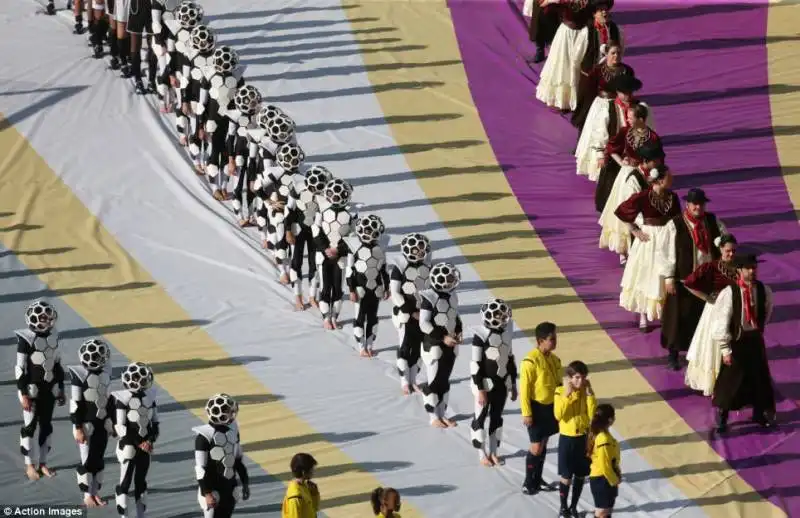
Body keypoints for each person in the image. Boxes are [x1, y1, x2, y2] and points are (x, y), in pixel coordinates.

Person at [661, 188, 727, 370]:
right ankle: (673, 355)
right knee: (677, 317)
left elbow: (724, 242)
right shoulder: (675, 225)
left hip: (706, 280)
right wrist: (669, 277)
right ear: (688, 205)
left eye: (701, 204)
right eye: (695, 204)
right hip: (683, 280)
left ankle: (698, 353)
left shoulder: (712, 222)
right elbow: (666, 252)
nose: (698, 207)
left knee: (701, 318)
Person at [711, 253, 776, 432]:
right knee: (730, 381)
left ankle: (759, 412)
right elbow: (722, 321)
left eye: (754, 268)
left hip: (754, 340)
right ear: (739, 270)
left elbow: (767, 311)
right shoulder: (730, 293)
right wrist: (725, 349)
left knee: (758, 379)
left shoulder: (764, 290)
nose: (752, 271)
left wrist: (757, 328)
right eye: (748, 268)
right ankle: (723, 416)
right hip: (737, 342)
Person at [615, 166, 681, 331]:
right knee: (645, 273)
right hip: (649, 238)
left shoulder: (673, 197)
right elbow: (622, 211)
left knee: (664, 274)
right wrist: (634, 230)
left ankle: (663, 311)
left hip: (668, 237)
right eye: (668, 176)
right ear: (660, 180)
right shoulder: (644, 196)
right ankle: (643, 314)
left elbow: (678, 218)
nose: (671, 179)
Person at [14, 299, 66, 481]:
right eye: (42, 317)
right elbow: (20, 368)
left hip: (49, 390)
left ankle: (43, 463)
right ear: (34, 318)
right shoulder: (25, 338)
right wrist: (23, 394)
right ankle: (29, 465)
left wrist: (61, 388)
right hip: (31, 390)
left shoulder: (54, 335)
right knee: (29, 427)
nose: (45, 320)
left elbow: (57, 364)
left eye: (48, 317)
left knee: (47, 427)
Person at [683, 234, 739, 396]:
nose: (731, 254)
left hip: (734, 311)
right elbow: (689, 283)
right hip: (715, 311)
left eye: (734, 251)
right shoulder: (711, 267)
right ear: (721, 249)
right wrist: (706, 297)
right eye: (728, 251)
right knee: (714, 346)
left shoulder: (740, 266)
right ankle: (713, 383)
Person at [597, 143, 666, 265]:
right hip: (639, 223)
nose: (659, 163)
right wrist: (642, 226)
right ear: (645, 161)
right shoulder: (633, 179)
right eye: (655, 161)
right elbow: (628, 209)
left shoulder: (653, 174)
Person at [469, 298, 517, 467]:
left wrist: (513, 384)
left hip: (501, 384)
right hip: (484, 384)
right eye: (498, 315)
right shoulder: (480, 335)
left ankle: (494, 452)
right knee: (480, 418)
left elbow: (510, 358)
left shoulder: (507, 330)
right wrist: (480, 389)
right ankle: (481, 453)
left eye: (503, 314)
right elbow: (475, 364)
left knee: (497, 419)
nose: (501, 317)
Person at [573, 45, 635, 173]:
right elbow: (589, 90)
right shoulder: (598, 70)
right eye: (613, 53)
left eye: (618, 53)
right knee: (600, 132)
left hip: (620, 106)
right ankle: (600, 167)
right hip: (602, 106)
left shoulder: (627, 70)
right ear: (606, 54)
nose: (616, 56)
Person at [70, 339, 114, 507]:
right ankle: (87, 495)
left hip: (102, 422)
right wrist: (77, 427)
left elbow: (108, 399)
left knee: (99, 459)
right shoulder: (79, 374)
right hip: (87, 424)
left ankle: (95, 492)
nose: (97, 358)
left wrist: (112, 421)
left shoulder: (106, 372)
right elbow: (75, 404)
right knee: (87, 461)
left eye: (100, 355)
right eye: (94, 356)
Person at [419, 262, 463, 428]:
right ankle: (433, 416)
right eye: (450, 277)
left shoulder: (453, 295)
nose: (453, 280)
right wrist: (442, 338)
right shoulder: (429, 297)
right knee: (435, 382)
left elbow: (454, 316)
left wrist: (459, 331)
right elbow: (424, 324)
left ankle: (442, 413)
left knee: (444, 381)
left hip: (450, 345)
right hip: (434, 345)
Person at [520, 322, 562, 495]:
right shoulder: (530, 361)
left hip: (551, 407)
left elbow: (559, 384)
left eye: (555, 338)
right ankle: (528, 481)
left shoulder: (555, 360)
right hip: (536, 408)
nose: (555, 342)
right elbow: (525, 390)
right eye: (551, 339)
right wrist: (527, 413)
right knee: (536, 447)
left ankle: (538, 479)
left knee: (544, 443)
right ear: (540, 341)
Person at [112, 362, 159, 518]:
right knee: (125, 483)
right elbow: (121, 428)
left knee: (141, 482)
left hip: (145, 448)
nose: (143, 380)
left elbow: (155, 424)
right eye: (140, 378)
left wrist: (150, 440)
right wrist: (140, 443)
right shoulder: (122, 399)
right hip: (129, 447)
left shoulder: (150, 398)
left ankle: (141, 515)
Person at [594, 101, 658, 214]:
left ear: (641, 120)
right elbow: (611, 147)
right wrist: (621, 162)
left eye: (630, 118)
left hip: (645, 174)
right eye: (627, 118)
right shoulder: (625, 131)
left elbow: (658, 158)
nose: (627, 120)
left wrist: (653, 174)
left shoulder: (652, 137)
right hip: (627, 172)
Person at [255, 142, 305, 284]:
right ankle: (283, 271)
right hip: (278, 212)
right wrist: (269, 202)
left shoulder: (300, 177)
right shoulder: (274, 173)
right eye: (290, 159)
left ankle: (292, 271)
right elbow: (257, 187)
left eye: (294, 160)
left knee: (294, 245)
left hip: (294, 214)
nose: (292, 162)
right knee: (280, 242)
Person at [193, 394, 250, 518]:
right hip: (213, 490)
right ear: (220, 413)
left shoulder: (233, 431)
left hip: (229, 488)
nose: (232, 413)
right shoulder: (203, 436)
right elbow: (200, 469)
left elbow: (238, 460)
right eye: (229, 411)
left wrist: (245, 482)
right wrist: (207, 493)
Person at [571, 1, 625, 131]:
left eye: (606, 10)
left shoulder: (616, 30)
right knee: (586, 109)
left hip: (609, 77)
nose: (604, 12)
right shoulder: (586, 32)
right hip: (589, 77)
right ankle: (581, 140)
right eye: (600, 10)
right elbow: (576, 57)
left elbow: (621, 49)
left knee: (609, 111)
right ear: (594, 14)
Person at [389, 233, 432, 395]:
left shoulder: (428, 266)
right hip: (405, 315)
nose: (420, 252)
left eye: (422, 248)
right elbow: (395, 294)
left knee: (419, 348)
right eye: (417, 249)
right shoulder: (399, 266)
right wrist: (412, 311)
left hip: (423, 315)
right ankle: (404, 381)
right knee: (405, 347)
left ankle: (413, 380)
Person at [535, 0, 594, 111]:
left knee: (580, 65)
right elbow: (543, 4)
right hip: (566, 35)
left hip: (583, 35)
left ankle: (579, 98)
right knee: (563, 65)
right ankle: (563, 100)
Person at [312, 177, 355, 330]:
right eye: (333, 194)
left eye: (340, 195)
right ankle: (326, 317)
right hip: (323, 255)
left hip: (340, 256)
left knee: (337, 288)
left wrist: (338, 250)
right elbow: (316, 232)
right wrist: (325, 249)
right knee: (325, 287)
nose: (336, 197)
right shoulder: (321, 210)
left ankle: (335, 317)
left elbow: (353, 237)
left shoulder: (352, 215)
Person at [554, 361, 596, 517]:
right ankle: (563, 507)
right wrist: (567, 395)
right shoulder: (560, 392)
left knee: (580, 475)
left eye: (583, 377)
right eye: (577, 377)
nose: (581, 381)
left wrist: (590, 394)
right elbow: (558, 415)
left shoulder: (586, 391)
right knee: (566, 476)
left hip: (583, 438)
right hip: (568, 439)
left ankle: (573, 506)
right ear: (569, 378)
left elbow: (592, 415)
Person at [346, 215, 390, 357]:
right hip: (360, 288)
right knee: (359, 317)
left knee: (372, 318)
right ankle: (361, 346)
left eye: (373, 231)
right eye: (368, 230)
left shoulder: (381, 247)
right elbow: (349, 271)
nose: (370, 233)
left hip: (376, 288)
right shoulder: (354, 246)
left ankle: (370, 345)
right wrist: (351, 290)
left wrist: (387, 287)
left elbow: (384, 269)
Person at [291, 165, 333, 310]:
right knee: (296, 262)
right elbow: (289, 211)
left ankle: (312, 296)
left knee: (313, 264)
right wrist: (287, 231)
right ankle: (298, 297)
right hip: (298, 229)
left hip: (315, 233)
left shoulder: (325, 197)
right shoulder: (298, 189)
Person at [588, 404, 620, 518]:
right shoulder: (603, 438)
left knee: (607, 511)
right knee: (602, 512)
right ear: (610, 419)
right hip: (602, 479)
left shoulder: (603, 433)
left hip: (607, 477)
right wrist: (614, 480)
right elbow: (605, 465)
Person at [281, 453, 320, 518]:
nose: (313, 471)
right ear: (303, 472)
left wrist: (314, 494)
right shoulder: (295, 496)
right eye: (312, 469)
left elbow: (314, 509)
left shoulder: (303, 486)